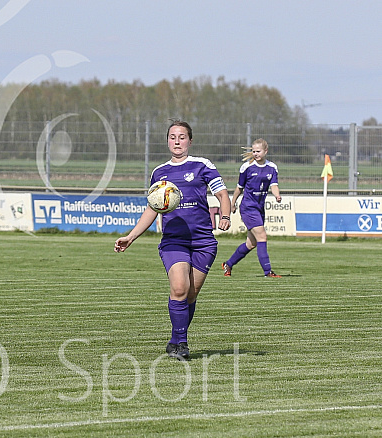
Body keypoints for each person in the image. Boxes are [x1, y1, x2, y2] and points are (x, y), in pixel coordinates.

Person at [114, 120, 232, 360]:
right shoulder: (159, 172)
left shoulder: (202, 165)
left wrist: (226, 214)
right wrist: (131, 236)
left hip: (203, 241)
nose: (177, 141)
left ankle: (175, 339)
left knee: (190, 295)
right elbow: (152, 208)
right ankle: (183, 344)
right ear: (167, 140)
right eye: (172, 137)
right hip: (174, 241)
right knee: (179, 288)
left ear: (190, 140)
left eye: (181, 137)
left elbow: (222, 194)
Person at [222, 138, 282, 278]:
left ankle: (228, 264)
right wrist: (233, 202)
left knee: (251, 243)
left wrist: (277, 196)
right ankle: (268, 272)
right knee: (262, 236)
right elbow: (239, 188)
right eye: (253, 151)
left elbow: (274, 185)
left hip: (260, 208)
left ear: (265, 151)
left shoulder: (272, 167)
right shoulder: (247, 167)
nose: (255, 154)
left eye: (258, 151)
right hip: (248, 208)